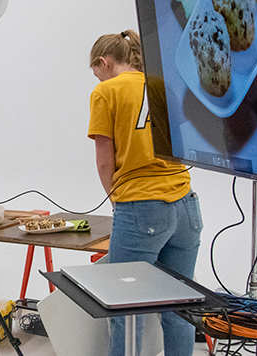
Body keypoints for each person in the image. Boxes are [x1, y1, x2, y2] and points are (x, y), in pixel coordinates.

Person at [87, 30, 203, 356]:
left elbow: (104, 161)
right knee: (179, 308)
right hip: (186, 205)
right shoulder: (162, 83)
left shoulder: (105, 92)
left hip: (142, 207)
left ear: (104, 62)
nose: (96, 77)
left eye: (96, 71)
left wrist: (118, 200)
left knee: (125, 310)